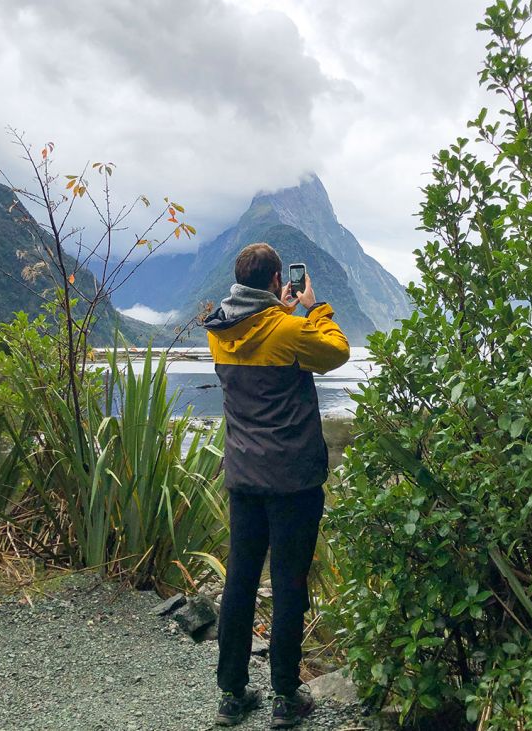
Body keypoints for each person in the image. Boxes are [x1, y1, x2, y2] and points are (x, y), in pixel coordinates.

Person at [203, 242, 350, 728]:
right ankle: (285, 695)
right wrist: (314, 308)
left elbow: (259, 335)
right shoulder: (289, 328)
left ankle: (231, 693)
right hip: (292, 482)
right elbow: (336, 352)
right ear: (273, 281)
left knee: (240, 582)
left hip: (243, 478)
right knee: (289, 584)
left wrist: (281, 311)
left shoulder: (219, 330)